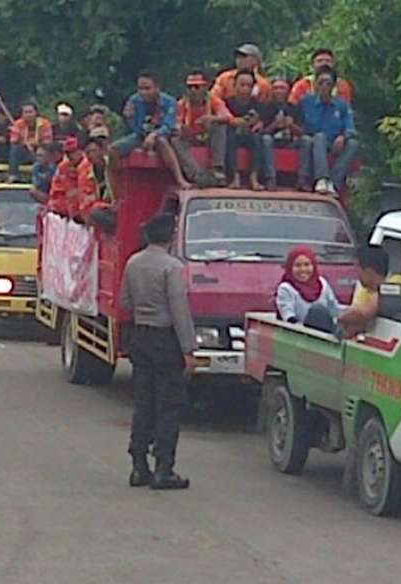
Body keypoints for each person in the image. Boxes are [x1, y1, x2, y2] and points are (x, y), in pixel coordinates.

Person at [120, 213, 195, 490]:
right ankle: (164, 467)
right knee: (169, 404)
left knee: (143, 402)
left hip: (141, 336)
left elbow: (124, 301)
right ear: (171, 237)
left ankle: (139, 466)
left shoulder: (133, 262)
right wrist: (188, 348)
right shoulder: (172, 267)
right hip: (165, 340)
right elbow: (179, 309)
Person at [113, 70, 192, 190]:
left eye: (147, 88)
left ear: (157, 87)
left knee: (161, 141)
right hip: (141, 135)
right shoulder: (134, 100)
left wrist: (154, 135)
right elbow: (135, 129)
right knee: (113, 150)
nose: (143, 93)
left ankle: (180, 179)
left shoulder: (169, 102)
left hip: (164, 135)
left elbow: (168, 125)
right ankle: (118, 185)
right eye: (140, 88)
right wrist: (129, 118)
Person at [299, 66, 359, 196]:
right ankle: (322, 178)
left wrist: (343, 137)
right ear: (315, 84)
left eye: (328, 83)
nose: (324, 86)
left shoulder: (341, 105)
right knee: (319, 137)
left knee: (353, 143)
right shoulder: (306, 102)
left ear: (333, 86)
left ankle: (333, 182)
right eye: (321, 83)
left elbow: (351, 127)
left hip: (335, 143)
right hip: (313, 141)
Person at [175, 69, 233, 183]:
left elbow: (228, 117)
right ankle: (196, 174)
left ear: (205, 87)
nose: (193, 90)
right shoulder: (182, 104)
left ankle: (217, 168)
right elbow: (176, 124)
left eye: (197, 87)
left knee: (220, 126)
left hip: (210, 138)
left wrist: (211, 119)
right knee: (175, 139)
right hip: (190, 138)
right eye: (189, 87)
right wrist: (181, 129)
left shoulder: (214, 101)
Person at [276, 246, 341, 329]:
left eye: (307, 265)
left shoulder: (322, 283)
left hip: (326, 333)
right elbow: (288, 316)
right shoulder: (286, 288)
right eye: (297, 265)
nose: (303, 269)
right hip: (300, 334)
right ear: (290, 267)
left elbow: (334, 308)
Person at [260, 78, 304, 190]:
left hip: (290, 142)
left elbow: (302, 132)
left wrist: (291, 126)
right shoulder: (265, 107)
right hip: (271, 142)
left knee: (307, 140)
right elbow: (260, 133)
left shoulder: (295, 108)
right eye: (275, 88)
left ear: (288, 91)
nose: (279, 91)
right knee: (266, 139)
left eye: (282, 88)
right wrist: (274, 125)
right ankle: (270, 178)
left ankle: (303, 179)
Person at [225, 69, 265, 190]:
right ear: (234, 85)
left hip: (250, 135)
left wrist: (260, 123)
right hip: (233, 135)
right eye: (242, 85)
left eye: (249, 86)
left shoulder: (258, 104)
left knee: (258, 137)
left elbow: (264, 121)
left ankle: (254, 177)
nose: (245, 89)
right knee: (229, 135)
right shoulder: (227, 103)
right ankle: (234, 176)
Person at [337, 246, 388, 337]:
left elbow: (363, 313)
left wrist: (339, 318)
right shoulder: (365, 290)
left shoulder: (392, 286)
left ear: (368, 272)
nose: (356, 274)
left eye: (358, 269)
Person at [290, 48, 354, 106]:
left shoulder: (342, 85)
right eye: (319, 61)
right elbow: (292, 107)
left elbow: (345, 109)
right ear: (312, 65)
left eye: (328, 61)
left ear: (333, 64)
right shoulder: (302, 85)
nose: (324, 63)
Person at [8, 101, 53, 181]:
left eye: (30, 112)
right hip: (24, 151)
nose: (28, 115)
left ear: (36, 113)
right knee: (15, 149)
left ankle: (44, 176)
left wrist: (35, 144)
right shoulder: (18, 124)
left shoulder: (44, 123)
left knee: (47, 150)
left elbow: (47, 140)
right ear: (22, 114)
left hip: (40, 150)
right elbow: (13, 140)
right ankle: (13, 175)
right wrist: (25, 143)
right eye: (26, 112)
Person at [48, 137, 85, 218]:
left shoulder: (88, 165)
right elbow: (57, 191)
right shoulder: (63, 167)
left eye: (73, 152)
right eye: (68, 153)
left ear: (81, 151)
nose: (71, 156)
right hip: (65, 203)